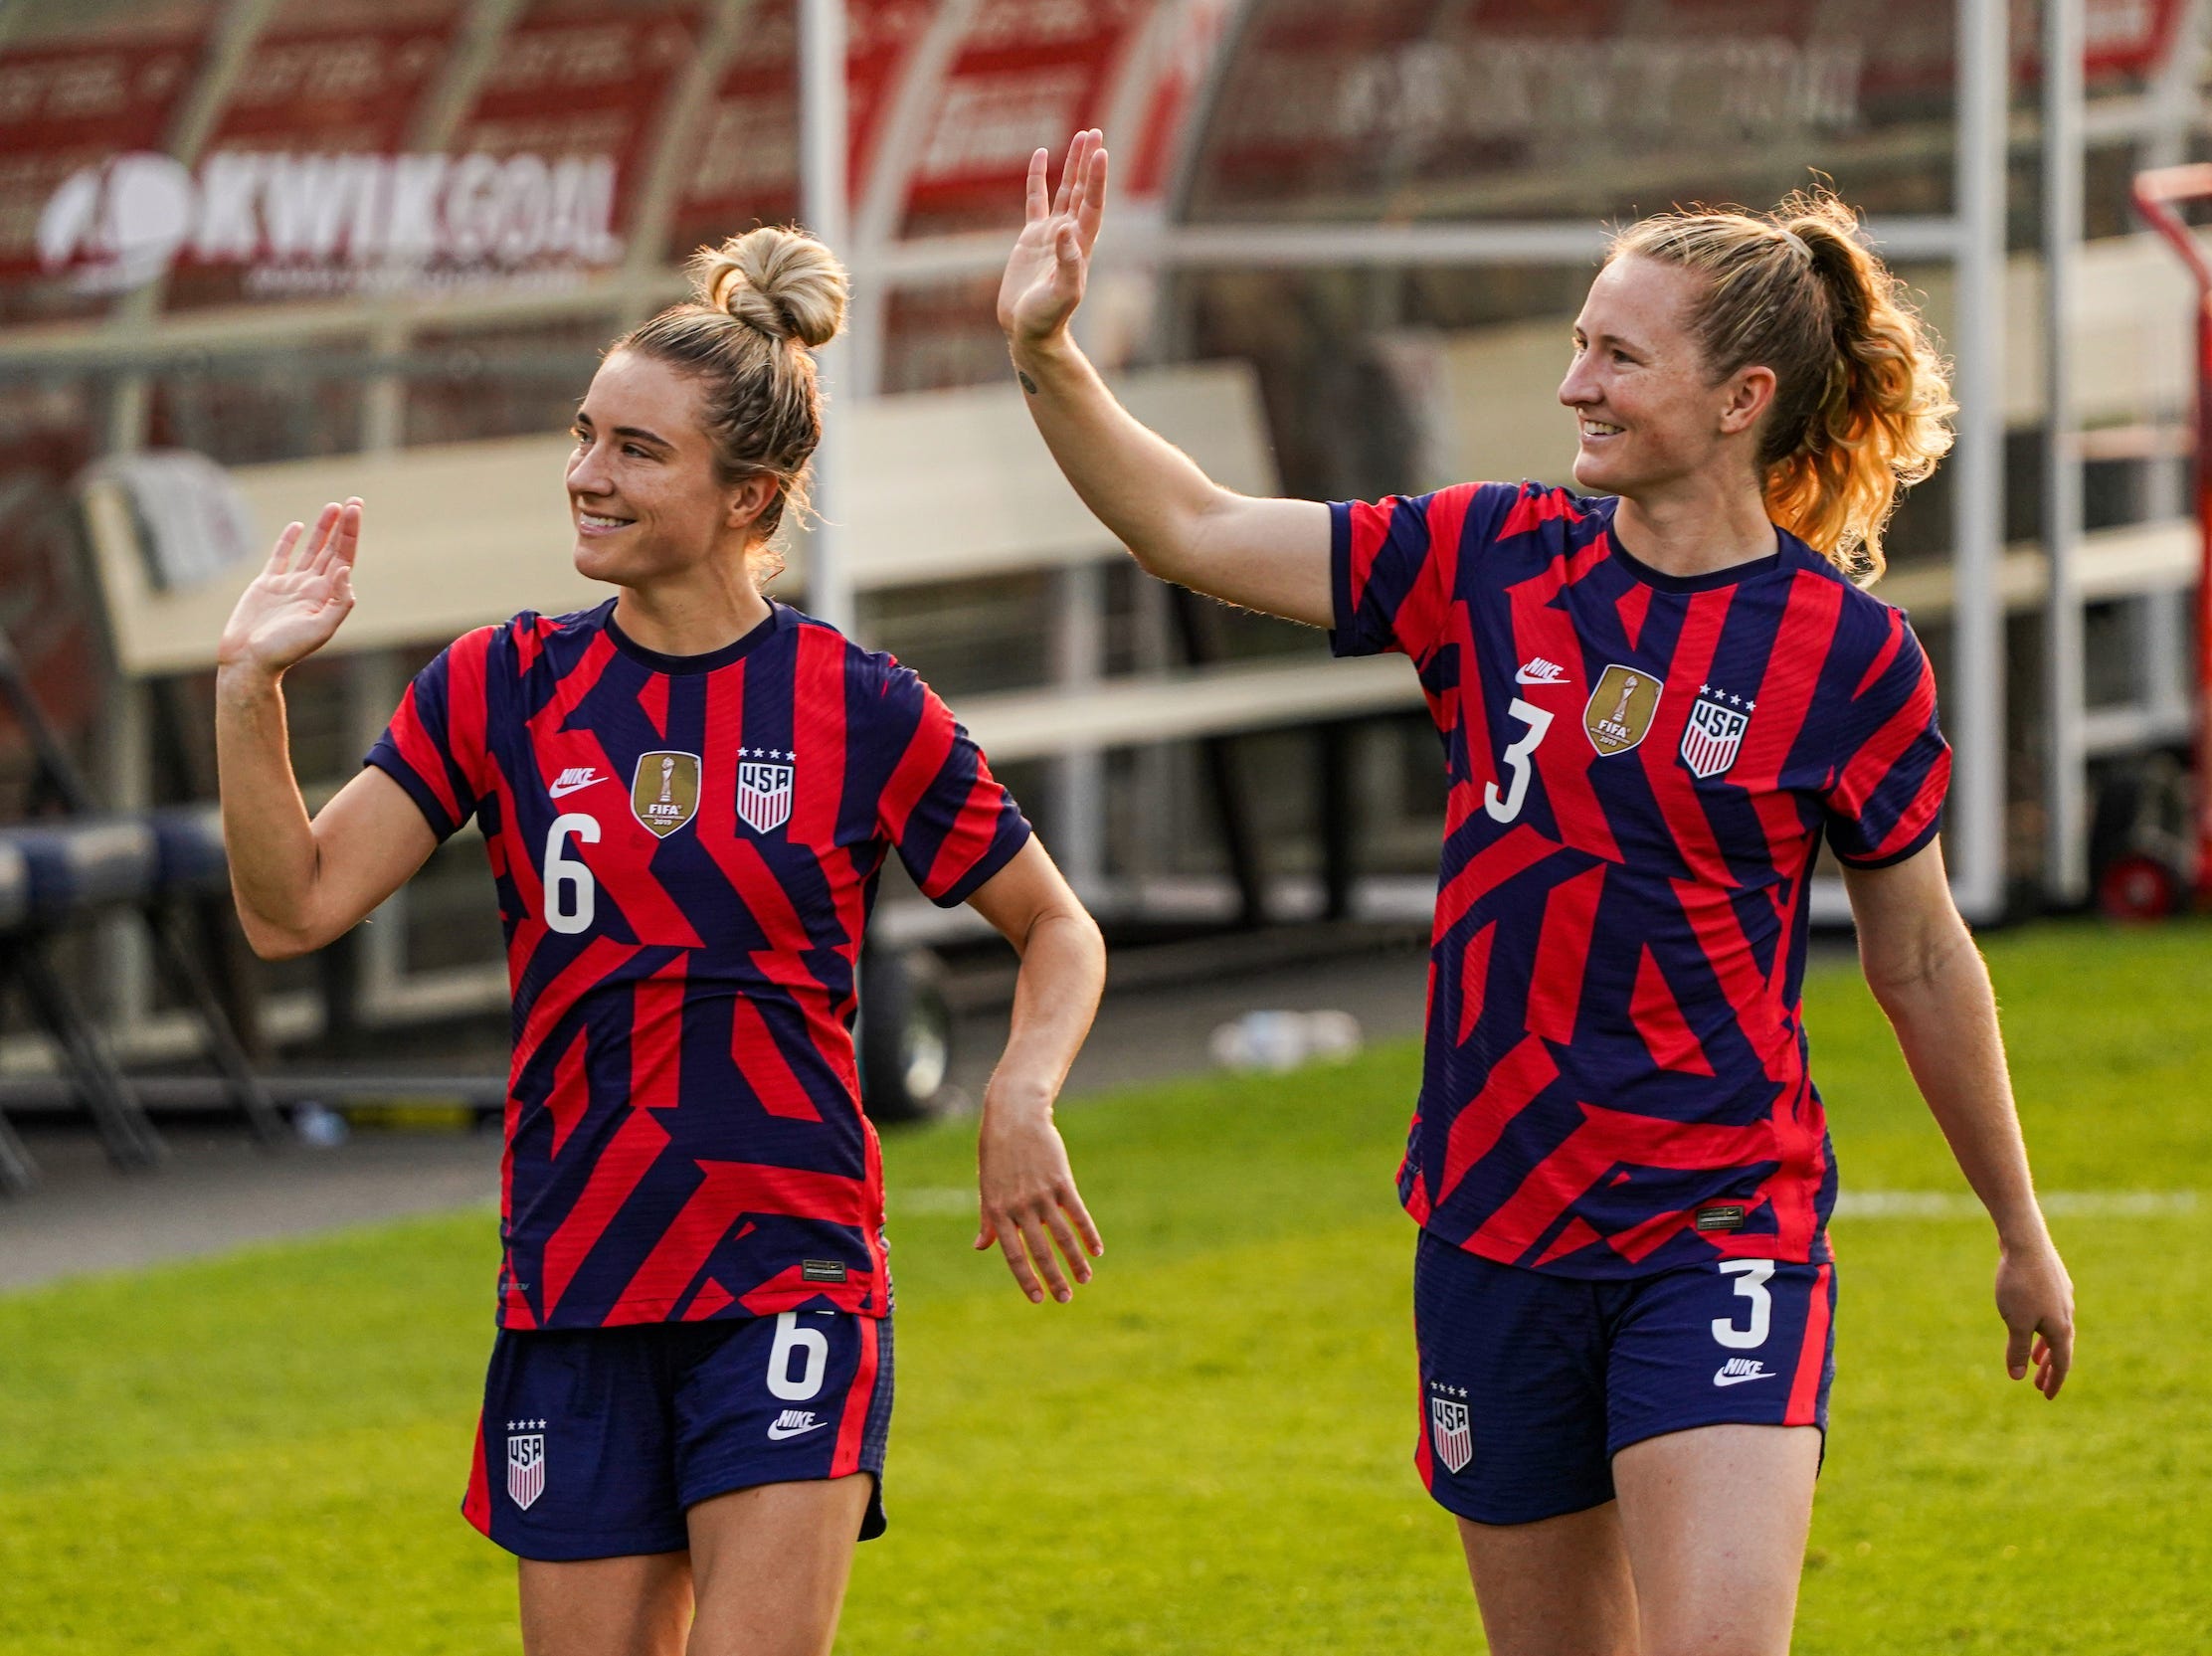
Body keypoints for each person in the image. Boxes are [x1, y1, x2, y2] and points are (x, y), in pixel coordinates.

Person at [999, 131, 2075, 1656]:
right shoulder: (1495, 556)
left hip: (1722, 1224)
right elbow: (1195, 526)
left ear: (1739, 401)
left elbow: (1919, 959)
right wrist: (1046, 354)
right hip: (1494, 1229)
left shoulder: (1845, 656)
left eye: (1618, 355)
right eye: (1579, 341)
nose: (1576, 381)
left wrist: (2019, 1227)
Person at [215, 225, 1107, 1656]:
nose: (587, 472)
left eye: (636, 448)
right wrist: (250, 688)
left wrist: (1020, 1089)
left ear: (748, 495)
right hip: (575, 1272)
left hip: (786, 1273)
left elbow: (1057, 927)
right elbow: (291, 904)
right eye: (585, 435)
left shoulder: (859, 704)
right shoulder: (502, 683)